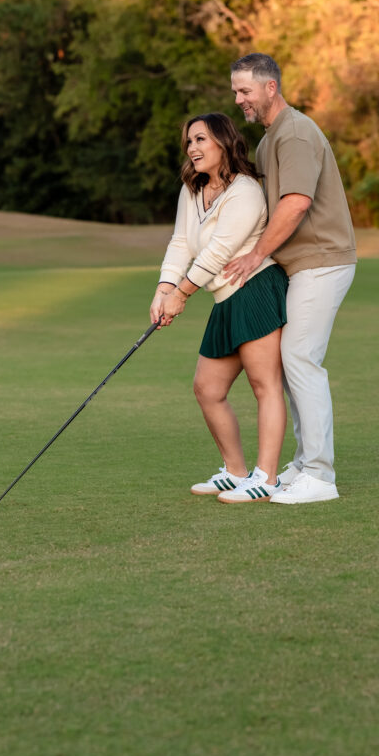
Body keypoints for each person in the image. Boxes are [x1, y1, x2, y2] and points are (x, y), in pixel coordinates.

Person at [224, 53, 357, 505]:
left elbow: (296, 203)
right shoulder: (268, 141)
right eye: (236, 90)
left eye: (245, 90)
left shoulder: (295, 133)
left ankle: (320, 476)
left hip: (322, 261)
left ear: (270, 88)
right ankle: (303, 465)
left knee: (301, 358)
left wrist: (256, 255)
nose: (238, 98)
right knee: (291, 359)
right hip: (299, 266)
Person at [150, 113, 289, 504]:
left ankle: (267, 478)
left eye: (200, 140)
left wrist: (181, 295)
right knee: (207, 388)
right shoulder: (192, 190)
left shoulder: (245, 190)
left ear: (224, 142)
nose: (192, 148)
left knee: (264, 386)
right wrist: (163, 289)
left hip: (256, 289)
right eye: (189, 142)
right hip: (224, 298)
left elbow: (219, 251)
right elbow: (181, 243)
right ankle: (234, 471)